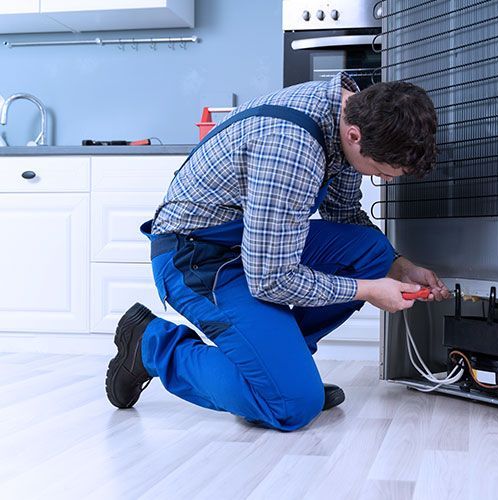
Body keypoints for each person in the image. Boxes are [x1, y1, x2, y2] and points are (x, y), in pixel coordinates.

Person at [104, 72, 450, 431]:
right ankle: (152, 346)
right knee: (292, 404)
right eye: (381, 172)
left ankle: (277, 366)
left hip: (253, 248)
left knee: (372, 254)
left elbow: (344, 216)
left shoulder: (350, 111)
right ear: (354, 137)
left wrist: (397, 266)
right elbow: (271, 280)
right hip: (197, 257)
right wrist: (370, 290)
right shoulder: (292, 150)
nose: (386, 180)